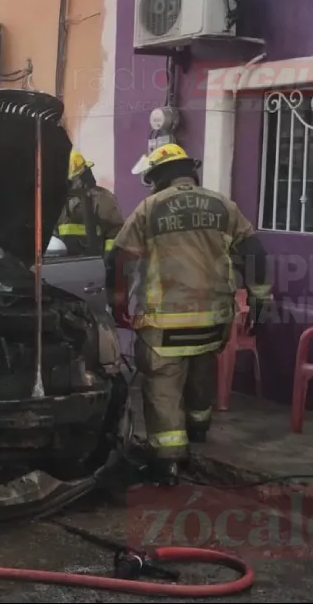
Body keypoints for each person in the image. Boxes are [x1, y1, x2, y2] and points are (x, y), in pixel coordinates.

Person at [106, 143, 271, 486]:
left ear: (158, 177)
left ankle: (166, 463)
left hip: (165, 322)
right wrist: (259, 300)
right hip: (214, 319)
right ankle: (198, 428)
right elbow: (253, 250)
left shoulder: (149, 209)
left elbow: (120, 258)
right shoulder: (224, 205)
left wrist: (119, 303)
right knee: (201, 367)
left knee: (163, 385)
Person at [55, 150, 125, 257]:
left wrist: (108, 261)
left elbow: (115, 233)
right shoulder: (58, 201)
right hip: (61, 263)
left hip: (93, 262)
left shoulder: (102, 198)